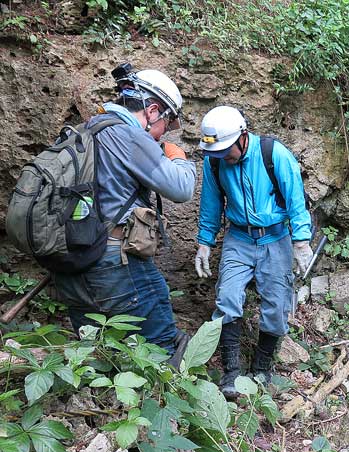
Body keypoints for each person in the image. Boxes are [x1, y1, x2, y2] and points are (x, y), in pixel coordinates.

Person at [53, 67, 196, 358]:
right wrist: (179, 158)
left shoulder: (84, 131)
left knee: (98, 351)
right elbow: (181, 189)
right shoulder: (127, 136)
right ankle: (161, 400)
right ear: (153, 110)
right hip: (114, 261)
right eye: (167, 124)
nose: (165, 132)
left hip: (69, 259)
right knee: (161, 346)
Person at [194, 106, 313, 399]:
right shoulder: (215, 162)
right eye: (217, 152)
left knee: (276, 305)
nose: (222, 157)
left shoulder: (274, 155)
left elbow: (296, 199)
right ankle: (231, 373)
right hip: (238, 238)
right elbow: (210, 205)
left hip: (276, 238)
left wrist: (301, 242)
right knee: (227, 298)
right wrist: (204, 243)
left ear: (243, 136)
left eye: (226, 150)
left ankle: (261, 368)